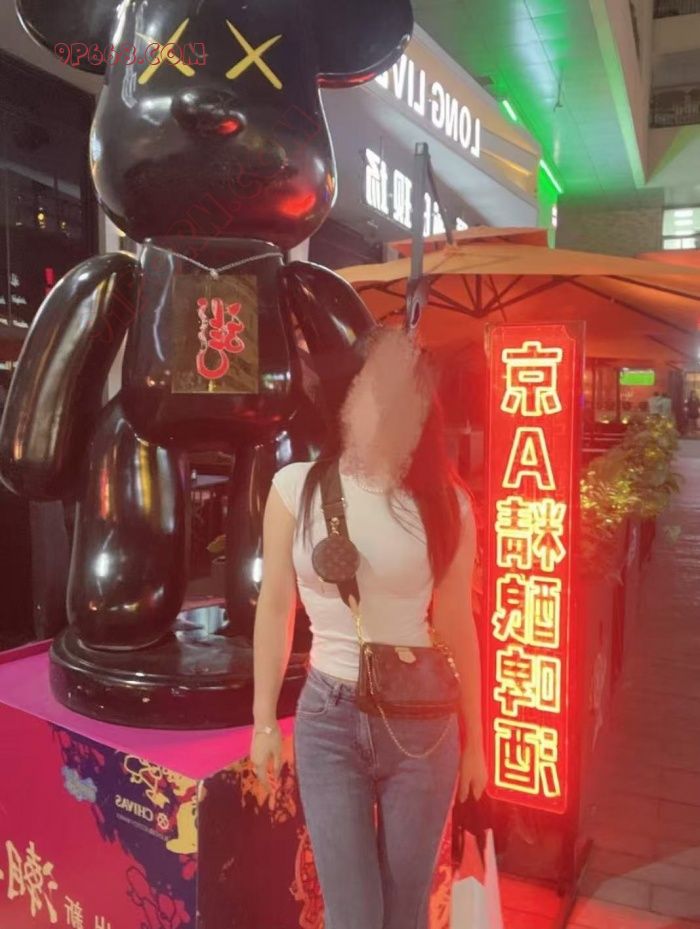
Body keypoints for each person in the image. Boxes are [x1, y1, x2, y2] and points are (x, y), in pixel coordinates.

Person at [250, 328, 486, 929]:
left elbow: (457, 622)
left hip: (423, 725)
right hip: (329, 720)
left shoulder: (447, 504)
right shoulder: (295, 487)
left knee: (404, 909)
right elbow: (275, 605)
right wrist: (262, 720)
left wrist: (477, 742)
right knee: (353, 913)